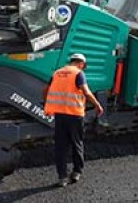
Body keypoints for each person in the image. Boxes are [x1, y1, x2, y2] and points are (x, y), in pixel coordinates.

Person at [43, 52, 105, 187]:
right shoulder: (78, 73)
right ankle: (77, 172)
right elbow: (86, 92)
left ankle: (62, 178)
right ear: (81, 63)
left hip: (60, 115)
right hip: (75, 115)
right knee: (77, 143)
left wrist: (47, 105)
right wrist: (97, 105)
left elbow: (46, 90)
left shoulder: (57, 73)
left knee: (61, 146)